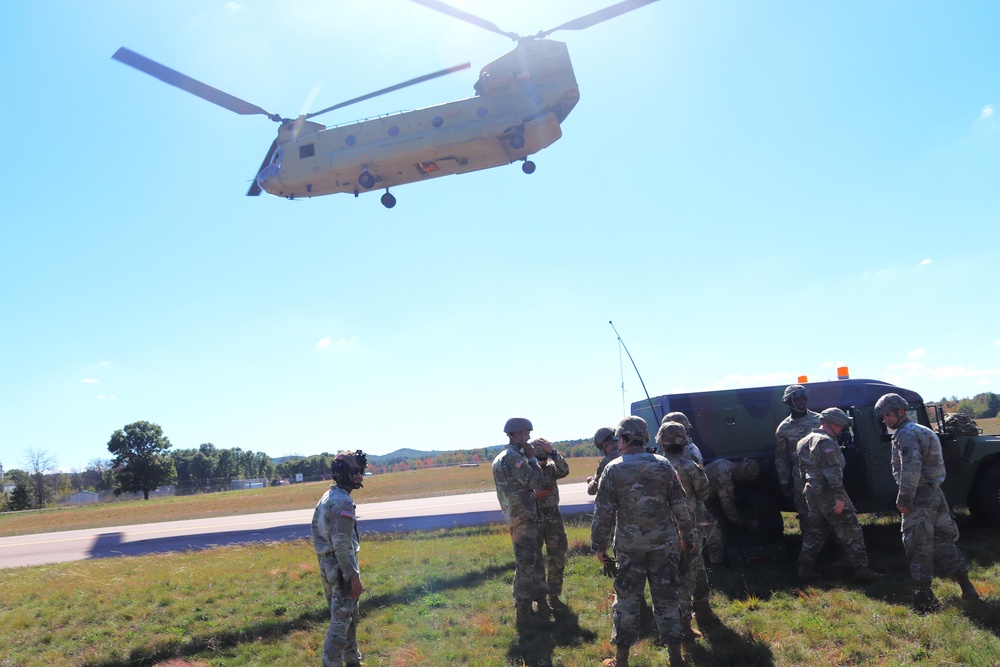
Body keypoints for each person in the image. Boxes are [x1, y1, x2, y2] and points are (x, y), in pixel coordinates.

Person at [592, 416, 694, 667]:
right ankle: (675, 656)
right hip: (664, 545)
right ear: (645, 437)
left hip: (630, 548)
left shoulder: (613, 469)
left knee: (626, 601)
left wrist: (599, 547)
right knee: (667, 599)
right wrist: (687, 538)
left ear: (623, 439)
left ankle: (622, 659)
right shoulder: (663, 465)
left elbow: (603, 512)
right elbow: (680, 506)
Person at [875, 393, 980, 611]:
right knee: (944, 541)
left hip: (918, 497)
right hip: (935, 494)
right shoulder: (923, 430)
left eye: (887, 415)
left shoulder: (906, 435)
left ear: (901, 412)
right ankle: (967, 588)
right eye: (883, 416)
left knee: (917, 545)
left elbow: (910, 469)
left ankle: (925, 598)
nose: (885, 420)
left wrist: (904, 497)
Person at [795, 408, 881, 582]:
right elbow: (833, 473)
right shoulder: (827, 442)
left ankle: (805, 568)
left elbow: (801, 470)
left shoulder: (803, 441)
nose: (842, 430)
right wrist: (840, 498)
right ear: (832, 423)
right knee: (850, 527)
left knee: (816, 530)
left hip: (812, 490)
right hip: (828, 492)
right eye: (841, 425)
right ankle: (861, 568)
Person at [311, 450, 368, 667]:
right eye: (355, 471)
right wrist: (352, 576)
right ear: (342, 473)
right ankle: (331, 662)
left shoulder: (329, 496)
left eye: (361, 471)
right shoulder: (342, 501)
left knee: (349, 617)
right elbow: (342, 544)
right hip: (340, 566)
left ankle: (353, 660)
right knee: (340, 622)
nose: (359, 476)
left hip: (328, 565)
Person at [658, 420, 713, 638]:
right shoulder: (691, 467)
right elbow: (704, 494)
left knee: (665, 577)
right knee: (688, 575)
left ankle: (665, 622)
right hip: (688, 530)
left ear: (662, 442)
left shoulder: (656, 466)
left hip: (662, 531)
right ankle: (684, 624)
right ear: (684, 442)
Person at [493, 416, 550, 627]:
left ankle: (540, 603)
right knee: (526, 565)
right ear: (516, 434)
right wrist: (533, 459)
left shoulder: (506, 456)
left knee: (534, 562)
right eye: (526, 434)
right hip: (522, 519)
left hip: (520, 517)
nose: (528, 438)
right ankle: (523, 612)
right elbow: (534, 480)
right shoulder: (512, 458)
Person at [774, 384, 821, 536]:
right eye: (797, 399)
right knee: (806, 515)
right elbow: (781, 458)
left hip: (822, 474)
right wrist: (784, 481)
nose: (801, 402)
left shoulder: (818, 420)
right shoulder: (784, 428)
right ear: (789, 401)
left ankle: (833, 548)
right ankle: (812, 549)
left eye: (803, 398)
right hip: (800, 478)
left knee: (828, 512)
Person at [702, 458, 760, 568]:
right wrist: (740, 522)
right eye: (745, 479)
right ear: (743, 473)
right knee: (714, 528)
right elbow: (727, 505)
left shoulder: (725, 464)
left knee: (720, 523)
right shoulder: (725, 477)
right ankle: (716, 565)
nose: (743, 481)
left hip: (705, 497)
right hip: (697, 499)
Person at [535, 442, 570, 608]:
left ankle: (554, 595)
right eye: (538, 458)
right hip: (534, 515)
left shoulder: (550, 467)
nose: (542, 462)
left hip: (552, 515)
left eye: (544, 458)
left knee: (557, 555)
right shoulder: (526, 469)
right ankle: (539, 599)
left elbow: (564, 470)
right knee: (534, 559)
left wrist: (554, 453)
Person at [587, 426, 619, 496]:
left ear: (604, 444)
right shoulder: (631, 452)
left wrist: (590, 482)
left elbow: (592, 490)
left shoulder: (607, 462)